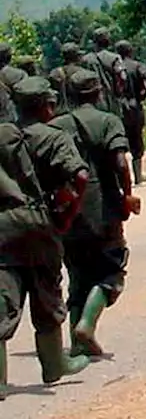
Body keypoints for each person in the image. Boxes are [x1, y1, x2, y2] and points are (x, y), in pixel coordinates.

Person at [2, 77, 92, 394]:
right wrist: (67, 215)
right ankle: (54, 365)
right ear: (47, 105)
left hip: (2, 224)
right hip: (39, 223)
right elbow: (80, 176)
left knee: (3, 296)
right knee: (46, 292)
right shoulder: (54, 137)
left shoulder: (3, 135)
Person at [50, 70, 141, 356]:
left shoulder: (56, 125)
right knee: (111, 271)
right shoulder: (108, 121)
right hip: (102, 205)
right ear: (99, 92)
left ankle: (78, 342)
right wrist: (127, 195)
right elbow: (120, 162)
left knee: (77, 274)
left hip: (68, 208)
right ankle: (86, 325)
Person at [115, 40, 146, 185]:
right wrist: (144, 94)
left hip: (119, 107)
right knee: (136, 138)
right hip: (134, 104)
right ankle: (138, 176)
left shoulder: (115, 66)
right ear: (131, 51)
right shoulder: (137, 65)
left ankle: (123, 178)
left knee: (119, 141)